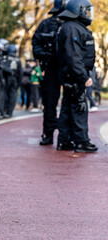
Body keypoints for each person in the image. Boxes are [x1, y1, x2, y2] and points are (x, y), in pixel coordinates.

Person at [57, 0, 98, 153]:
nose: (88, 15)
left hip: (71, 75)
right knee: (80, 107)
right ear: (77, 11)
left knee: (68, 108)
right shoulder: (72, 28)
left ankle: (65, 140)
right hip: (74, 76)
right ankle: (81, 142)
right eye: (86, 11)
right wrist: (83, 76)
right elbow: (73, 56)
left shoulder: (70, 27)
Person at [32, 0, 66, 145]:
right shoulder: (45, 24)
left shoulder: (70, 25)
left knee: (69, 102)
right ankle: (48, 133)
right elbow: (36, 45)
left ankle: (66, 135)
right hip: (51, 68)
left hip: (66, 67)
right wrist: (46, 55)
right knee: (49, 102)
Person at [4, 44, 22, 118]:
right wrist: (18, 83)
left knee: (5, 94)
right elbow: (20, 73)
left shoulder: (6, 58)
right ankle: (10, 112)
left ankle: (5, 110)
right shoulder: (18, 60)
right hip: (14, 79)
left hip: (7, 78)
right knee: (12, 95)